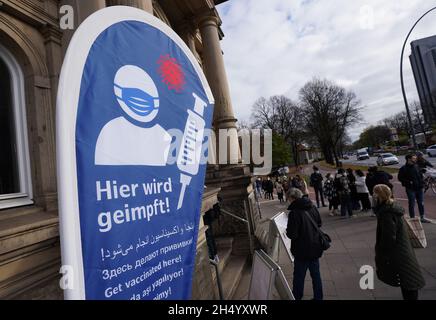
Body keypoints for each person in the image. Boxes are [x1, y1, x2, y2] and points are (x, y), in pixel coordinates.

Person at [373, 184, 425, 300]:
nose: (373, 197)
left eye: (374, 195)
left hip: (399, 253)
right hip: (404, 250)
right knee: (409, 279)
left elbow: (389, 238)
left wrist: (381, 254)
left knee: (408, 281)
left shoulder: (386, 213)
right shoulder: (392, 207)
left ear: (379, 197)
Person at [286, 188, 324, 300]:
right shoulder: (312, 206)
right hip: (315, 246)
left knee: (299, 276)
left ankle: (297, 297)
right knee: (316, 275)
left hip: (301, 249)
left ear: (292, 198)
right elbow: (319, 223)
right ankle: (318, 297)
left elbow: (292, 234)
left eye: (288, 199)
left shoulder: (294, 213)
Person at [398, 154, 430, 223]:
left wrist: (423, 182)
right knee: (412, 203)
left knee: (421, 203)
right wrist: (409, 182)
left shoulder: (416, 166)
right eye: (414, 158)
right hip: (410, 189)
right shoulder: (403, 168)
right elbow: (400, 178)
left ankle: (422, 217)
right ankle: (412, 218)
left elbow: (420, 176)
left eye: (415, 158)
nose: (415, 159)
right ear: (409, 159)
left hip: (419, 188)